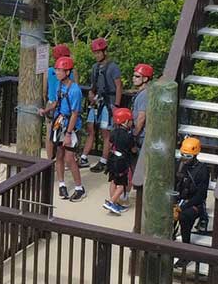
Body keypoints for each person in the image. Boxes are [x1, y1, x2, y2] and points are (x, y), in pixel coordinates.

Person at [49, 55, 86, 202]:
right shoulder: (60, 85)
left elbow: (75, 113)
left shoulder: (75, 90)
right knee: (59, 155)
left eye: (60, 70)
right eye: (57, 70)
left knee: (70, 158)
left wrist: (69, 133)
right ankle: (62, 184)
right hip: (59, 122)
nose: (57, 72)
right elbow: (57, 103)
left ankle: (79, 188)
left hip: (70, 125)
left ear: (68, 72)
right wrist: (45, 111)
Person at [83, 37, 123, 171]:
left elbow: (118, 86)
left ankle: (104, 160)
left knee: (106, 132)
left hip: (109, 102)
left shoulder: (113, 67)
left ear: (105, 52)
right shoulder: (95, 67)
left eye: (99, 52)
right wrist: (91, 93)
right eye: (95, 53)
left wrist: (116, 105)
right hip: (98, 101)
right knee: (92, 128)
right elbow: (94, 85)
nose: (97, 55)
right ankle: (89, 156)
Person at [173, 136, 211, 246]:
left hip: (194, 202)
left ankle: (186, 247)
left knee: (185, 217)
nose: (185, 159)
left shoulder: (202, 170)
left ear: (195, 155)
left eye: (188, 156)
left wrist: (183, 207)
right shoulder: (178, 165)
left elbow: (201, 195)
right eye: (182, 155)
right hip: (179, 199)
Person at [102, 106, 138, 216]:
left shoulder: (113, 132)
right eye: (131, 120)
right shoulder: (128, 136)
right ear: (126, 121)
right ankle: (112, 202)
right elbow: (133, 149)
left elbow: (110, 144)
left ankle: (115, 201)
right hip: (122, 162)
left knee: (113, 181)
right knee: (122, 185)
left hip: (112, 159)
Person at [42, 41, 72, 159]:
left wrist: (47, 100)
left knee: (50, 134)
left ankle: (49, 160)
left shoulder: (49, 71)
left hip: (51, 104)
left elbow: (44, 91)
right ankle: (64, 159)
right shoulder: (71, 72)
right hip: (65, 106)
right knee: (64, 134)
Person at [130, 62, 154, 138]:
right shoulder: (144, 92)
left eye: (137, 76)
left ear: (145, 78)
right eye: (133, 76)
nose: (133, 78)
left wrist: (135, 133)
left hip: (142, 135)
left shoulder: (145, 94)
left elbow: (141, 117)